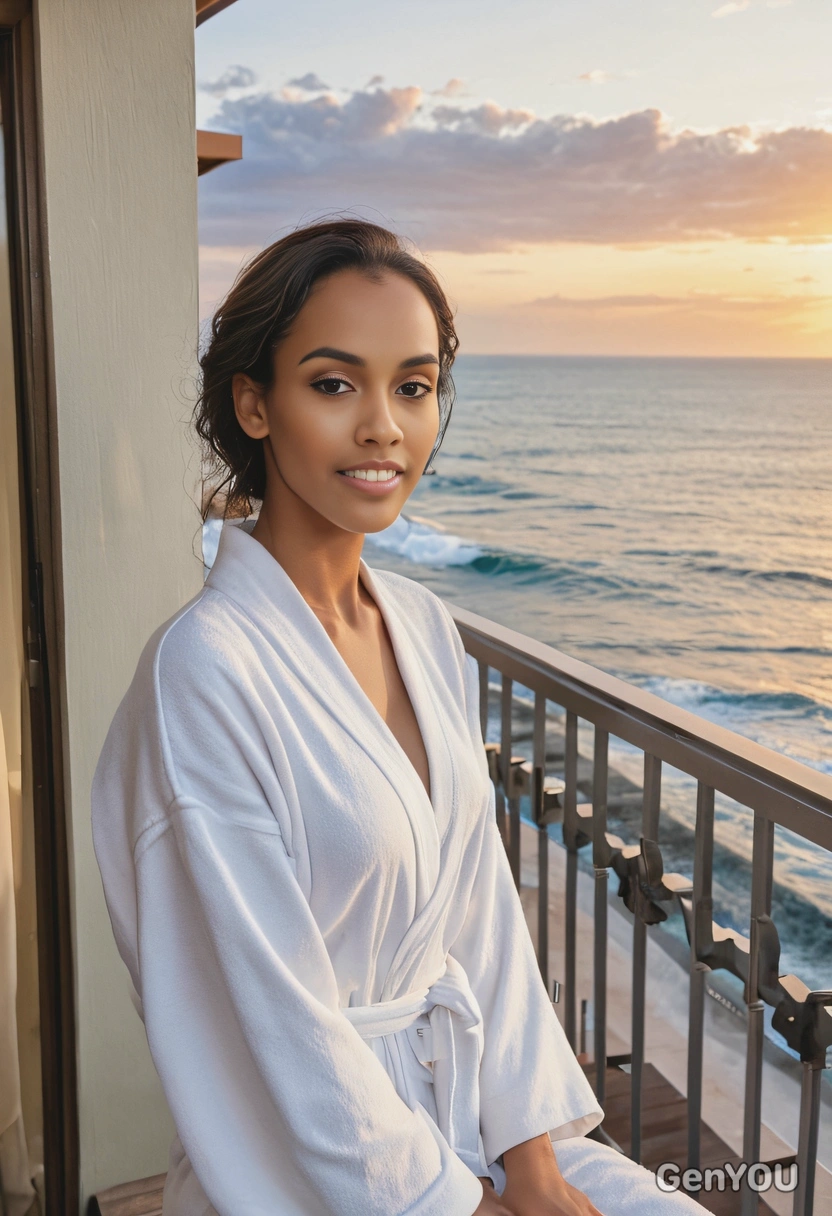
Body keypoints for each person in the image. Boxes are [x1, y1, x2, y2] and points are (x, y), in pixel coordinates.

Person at [91, 220, 700, 1215]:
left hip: (472, 1119)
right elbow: (271, 1023)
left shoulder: (420, 625)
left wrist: (533, 1162)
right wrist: (454, 1204)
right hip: (314, 1163)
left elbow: (482, 914)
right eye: (334, 384)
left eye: (412, 387)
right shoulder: (205, 671)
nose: (383, 427)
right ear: (254, 403)